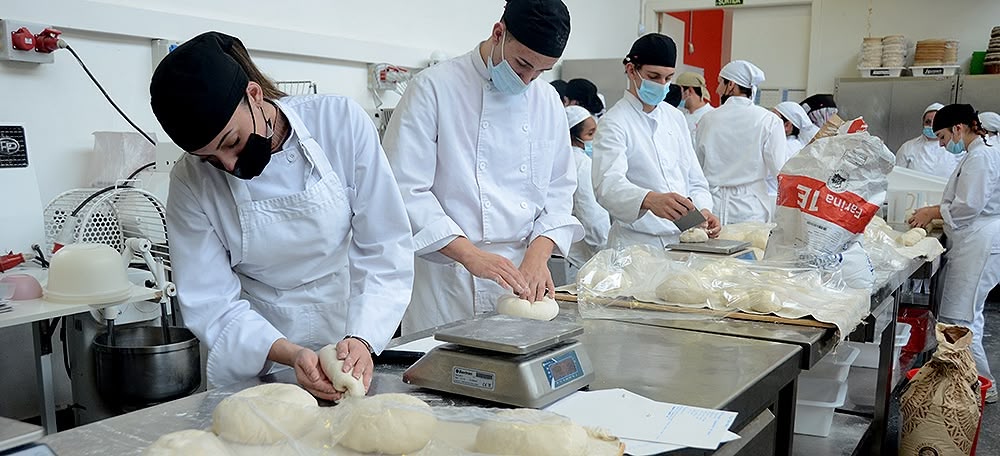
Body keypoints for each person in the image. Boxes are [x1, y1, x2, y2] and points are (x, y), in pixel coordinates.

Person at [150, 32, 414, 397]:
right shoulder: (190, 181)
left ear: (255, 95)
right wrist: (290, 354)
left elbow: (384, 246)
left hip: (346, 335)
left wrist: (363, 337)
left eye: (232, 142)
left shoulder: (339, 123)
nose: (229, 165)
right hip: (255, 356)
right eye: (210, 159)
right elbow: (211, 302)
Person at [383, 0, 582, 335]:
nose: (527, 80)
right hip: (449, 278)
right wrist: (470, 255)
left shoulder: (547, 101)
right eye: (522, 65)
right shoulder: (434, 88)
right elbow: (404, 189)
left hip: (521, 278)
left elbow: (560, 188)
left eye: (540, 72)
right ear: (498, 33)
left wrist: (539, 254)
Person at [591, 33, 720, 249]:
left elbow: (695, 179)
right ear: (631, 70)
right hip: (636, 243)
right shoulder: (615, 122)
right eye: (654, 76)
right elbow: (607, 185)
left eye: (668, 78)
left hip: (681, 240)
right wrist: (648, 199)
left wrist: (703, 210)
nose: (662, 84)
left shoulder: (675, 117)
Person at [909, 104, 1000, 403]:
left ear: (959, 128)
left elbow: (968, 206)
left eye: (943, 137)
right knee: (964, 315)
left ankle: (979, 384)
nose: (942, 144)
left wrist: (933, 212)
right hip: (975, 239)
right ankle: (971, 382)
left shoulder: (981, 156)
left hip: (980, 242)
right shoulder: (980, 152)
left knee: (959, 320)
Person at [694, 60, 787, 224]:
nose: (716, 90)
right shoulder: (769, 121)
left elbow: (697, 168)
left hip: (713, 206)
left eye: (720, 83)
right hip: (750, 208)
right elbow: (780, 171)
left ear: (731, 85)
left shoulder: (707, 119)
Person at [565, 106, 610, 267]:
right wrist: (604, 250)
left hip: (565, 251)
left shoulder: (562, 159)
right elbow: (591, 214)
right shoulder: (582, 164)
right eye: (590, 134)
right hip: (581, 256)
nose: (596, 138)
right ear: (572, 137)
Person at [897, 103, 963, 179]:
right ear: (923, 124)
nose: (932, 126)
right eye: (928, 122)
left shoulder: (955, 149)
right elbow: (897, 176)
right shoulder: (908, 147)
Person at [675, 72, 715, 144]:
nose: (677, 95)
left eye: (679, 91)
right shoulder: (680, 115)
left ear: (690, 91)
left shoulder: (711, 116)